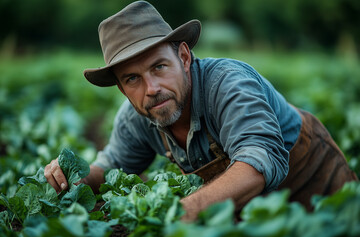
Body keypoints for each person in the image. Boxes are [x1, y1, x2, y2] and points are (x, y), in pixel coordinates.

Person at [44, 1, 358, 221]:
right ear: (122, 89)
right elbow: (112, 165)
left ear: (183, 57)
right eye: (132, 78)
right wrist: (70, 179)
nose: (151, 88)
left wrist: (188, 209)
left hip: (314, 184)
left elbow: (257, 161)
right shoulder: (136, 117)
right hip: (246, 212)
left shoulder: (229, 85)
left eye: (159, 66)